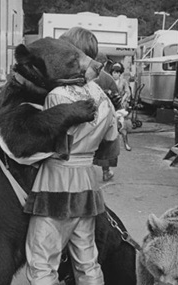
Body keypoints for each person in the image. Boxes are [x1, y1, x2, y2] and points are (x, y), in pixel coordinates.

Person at [24, 27, 118, 285]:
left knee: (42, 261)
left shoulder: (57, 95)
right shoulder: (104, 99)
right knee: (87, 259)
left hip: (56, 182)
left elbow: (48, 145)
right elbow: (110, 145)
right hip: (87, 183)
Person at [93, 52, 121, 181]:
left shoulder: (86, 76)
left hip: (89, 116)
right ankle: (106, 172)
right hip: (106, 117)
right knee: (108, 144)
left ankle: (86, 172)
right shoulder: (108, 79)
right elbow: (117, 98)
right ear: (104, 64)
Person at [110, 62, 132, 151]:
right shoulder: (110, 81)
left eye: (117, 73)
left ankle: (126, 143)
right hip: (111, 105)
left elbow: (127, 92)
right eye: (113, 72)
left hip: (120, 105)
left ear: (119, 73)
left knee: (122, 124)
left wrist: (123, 99)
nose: (115, 74)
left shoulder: (123, 81)